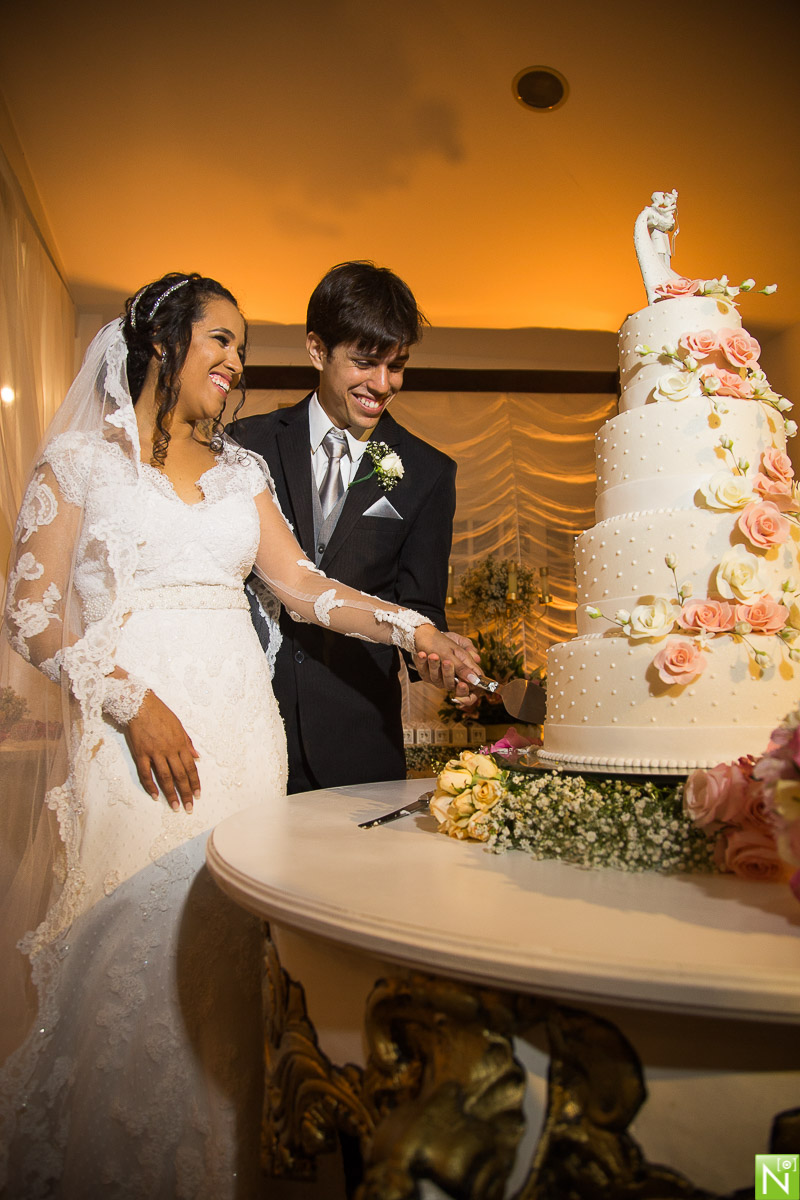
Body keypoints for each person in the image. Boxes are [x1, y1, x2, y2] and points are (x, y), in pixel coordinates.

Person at [0, 272, 480, 1197]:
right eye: (219, 339)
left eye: (241, 346)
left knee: (231, 960)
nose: (234, 360)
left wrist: (415, 630)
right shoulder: (80, 464)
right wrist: (130, 701)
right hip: (137, 740)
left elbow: (303, 588)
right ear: (161, 343)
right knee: (131, 940)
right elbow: (29, 616)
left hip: (241, 743)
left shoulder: (240, 473)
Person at [231, 261, 464, 792]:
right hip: (248, 724)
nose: (383, 385)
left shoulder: (429, 473)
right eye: (365, 362)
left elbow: (421, 607)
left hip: (357, 737)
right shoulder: (245, 445)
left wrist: (436, 659)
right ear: (317, 350)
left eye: (397, 366)